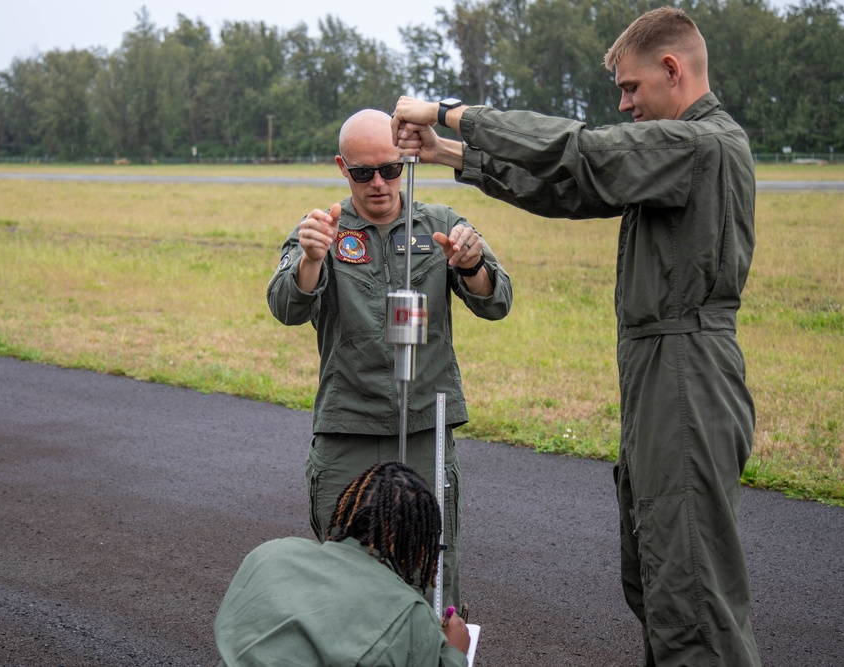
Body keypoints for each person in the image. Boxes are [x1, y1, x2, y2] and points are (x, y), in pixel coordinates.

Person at [391, 7, 759, 666]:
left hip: (685, 377)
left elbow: (578, 148)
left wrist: (451, 112)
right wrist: (455, 156)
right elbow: (577, 187)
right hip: (665, 372)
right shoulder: (679, 154)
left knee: (691, 597)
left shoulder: (698, 145)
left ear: (672, 70)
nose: (623, 104)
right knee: (657, 577)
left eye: (631, 88)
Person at [267, 109, 513, 610]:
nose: (378, 183)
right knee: (340, 575)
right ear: (342, 168)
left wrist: (470, 266)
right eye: (362, 173)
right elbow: (285, 306)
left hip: (424, 426)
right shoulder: (323, 230)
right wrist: (312, 259)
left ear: (404, 162)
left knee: (431, 574)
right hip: (348, 429)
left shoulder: (441, 224)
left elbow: (498, 300)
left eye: (390, 169)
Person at [213, 461, 471, 666]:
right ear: (418, 549)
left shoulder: (270, 554)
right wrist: (454, 654)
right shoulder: (412, 617)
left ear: (348, 509)